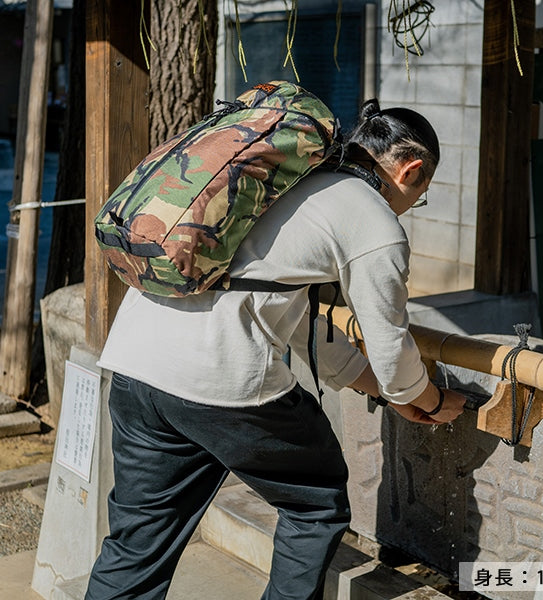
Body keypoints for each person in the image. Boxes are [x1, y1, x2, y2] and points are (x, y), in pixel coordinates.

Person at [84, 97, 466, 600]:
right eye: (418, 197)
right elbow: (391, 346)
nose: (409, 208)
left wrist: (374, 382)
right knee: (315, 502)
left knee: (138, 544)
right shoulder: (373, 220)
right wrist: (429, 399)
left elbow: (292, 312)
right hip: (218, 379)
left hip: (136, 364)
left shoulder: (284, 184)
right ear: (411, 170)